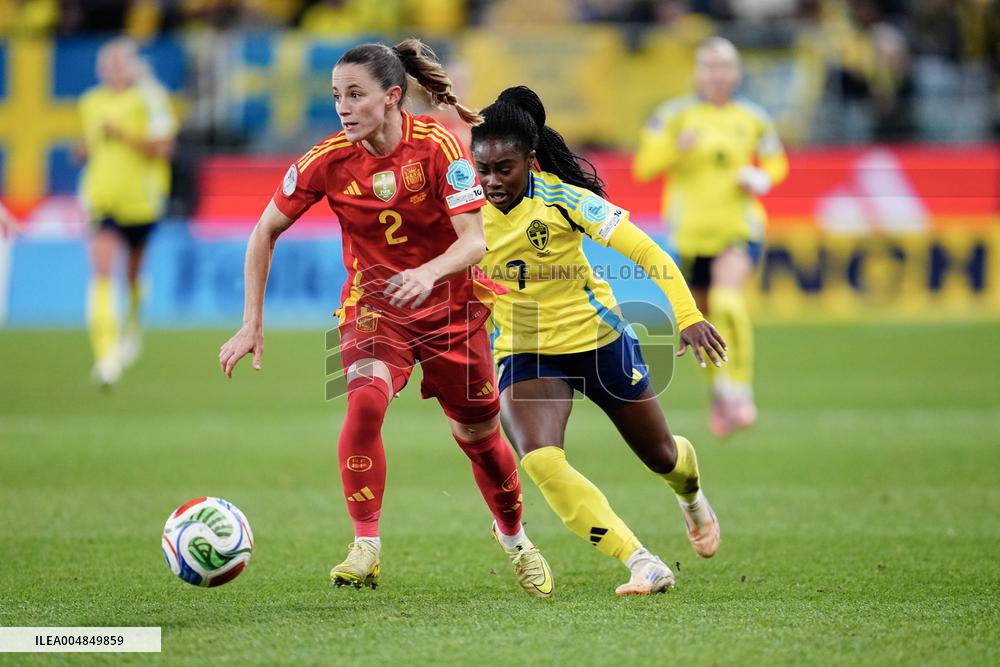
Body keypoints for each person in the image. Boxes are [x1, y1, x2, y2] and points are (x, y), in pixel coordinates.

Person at [217, 40, 553, 597]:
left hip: (453, 308)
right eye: (335, 97)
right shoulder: (326, 161)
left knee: (479, 434)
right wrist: (251, 322)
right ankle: (365, 544)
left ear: (393, 97)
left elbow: (474, 243)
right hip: (375, 306)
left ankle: (515, 539)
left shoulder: (439, 146)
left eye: (355, 95)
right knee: (365, 398)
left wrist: (427, 273)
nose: (342, 108)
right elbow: (263, 233)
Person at [471, 86, 725, 596]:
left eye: (505, 169)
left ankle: (691, 492)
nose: (493, 181)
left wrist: (688, 315)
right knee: (540, 458)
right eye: (484, 169)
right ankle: (640, 561)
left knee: (661, 458)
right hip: (525, 352)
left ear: (530, 160)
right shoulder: (464, 213)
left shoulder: (565, 201)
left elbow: (649, 253)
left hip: (598, 340)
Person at [634, 37, 788, 437]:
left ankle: (741, 389)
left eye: (724, 67)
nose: (717, 75)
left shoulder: (753, 118)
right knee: (700, 320)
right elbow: (644, 167)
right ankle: (721, 391)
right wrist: (675, 150)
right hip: (690, 235)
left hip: (738, 227)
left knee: (727, 298)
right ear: (696, 73)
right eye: (709, 66)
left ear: (736, 73)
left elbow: (776, 160)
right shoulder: (674, 116)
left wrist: (763, 176)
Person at [79, 37, 177, 386]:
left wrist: (122, 134)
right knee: (102, 272)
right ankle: (106, 359)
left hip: (142, 201)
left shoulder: (150, 100)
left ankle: (133, 321)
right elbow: (90, 146)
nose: (113, 69)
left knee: (132, 274)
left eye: (120, 62)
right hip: (102, 198)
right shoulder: (90, 102)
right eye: (108, 63)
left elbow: (164, 149)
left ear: (133, 66)